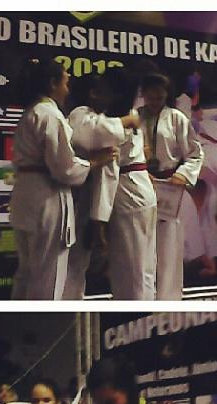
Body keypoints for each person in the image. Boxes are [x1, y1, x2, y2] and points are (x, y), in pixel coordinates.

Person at [8, 58, 116, 300]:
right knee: (48, 275)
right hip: (46, 198)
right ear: (52, 83)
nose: (67, 90)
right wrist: (94, 161)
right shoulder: (50, 115)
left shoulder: (32, 112)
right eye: (65, 83)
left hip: (25, 195)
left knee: (26, 272)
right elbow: (64, 168)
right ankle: (43, 320)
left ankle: (22, 316)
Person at [63, 75, 141, 299]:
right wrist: (126, 121)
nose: (111, 97)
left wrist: (99, 221)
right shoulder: (79, 114)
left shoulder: (98, 119)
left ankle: (72, 303)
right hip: (69, 198)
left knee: (77, 264)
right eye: (107, 92)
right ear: (93, 93)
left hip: (83, 201)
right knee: (67, 265)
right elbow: (95, 132)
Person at [91, 68, 158, 300]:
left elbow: (108, 175)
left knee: (130, 270)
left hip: (129, 195)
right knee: (143, 267)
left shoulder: (114, 125)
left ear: (115, 92)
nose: (98, 93)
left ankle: (135, 314)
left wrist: (99, 221)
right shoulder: (130, 115)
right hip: (140, 191)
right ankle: (145, 310)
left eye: (103, 88)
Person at [139, 73, 205, 300]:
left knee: (168, 246)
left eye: (160, 95)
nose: (155, 99)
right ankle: (143, 299)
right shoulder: (135, 117)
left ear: (167, 94)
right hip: (141, 183)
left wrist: (183, 175)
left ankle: (168, 298)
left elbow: (195, 154)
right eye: (151, 95)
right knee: (141, 244)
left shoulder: (176, 118)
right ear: (143, 93)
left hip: (169, 186)